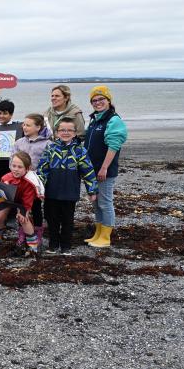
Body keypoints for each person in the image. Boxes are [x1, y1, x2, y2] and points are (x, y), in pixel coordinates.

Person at [36, 117, 98, 255]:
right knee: (52, 219)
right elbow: (42, 169)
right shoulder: (51, 148)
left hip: (70, 192)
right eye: (62, 130)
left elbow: (88, 171)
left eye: (69, 130)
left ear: (75, 133)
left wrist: (92, 190)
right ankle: (53, 244)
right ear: (57, 132)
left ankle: (66, 246)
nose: (66, 132)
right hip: (51, 191)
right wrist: (38, 188)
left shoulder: (80, 150)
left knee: (67, 220)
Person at [83, 85, 128, 248]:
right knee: (95, 203)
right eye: (94, 100)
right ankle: (98, 233)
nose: (97, 102)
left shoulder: (113, 120)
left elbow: (114, 146)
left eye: (101, 99)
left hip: (104, 170)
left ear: (109, 100)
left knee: (105, 202)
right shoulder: (95, 119)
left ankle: (106, 237)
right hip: (91, 170)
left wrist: (104, 168)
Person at [0, 152, 43, 254]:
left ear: (27, 168)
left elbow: (27, 200)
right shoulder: (6, 177)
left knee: (23, 218)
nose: (16, 169)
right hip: (9, 199)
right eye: (14, 166)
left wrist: (24, 211)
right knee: (0, 216)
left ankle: (33, 242)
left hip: (22, 201)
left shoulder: (29, 182)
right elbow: (1, 194)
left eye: (20, 167)